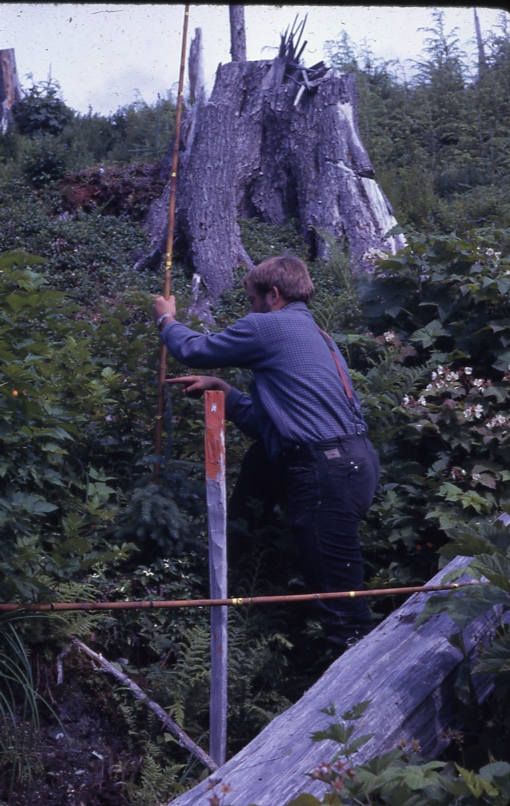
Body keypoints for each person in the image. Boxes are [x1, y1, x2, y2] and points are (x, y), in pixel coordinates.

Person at [153, 255, 379, 650]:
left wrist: (166, 319)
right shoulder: (315, 333)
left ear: (273, 295)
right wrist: (223, 389)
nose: (249, 310)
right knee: (261, 465)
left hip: (325, 468)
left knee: (342, 601)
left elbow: (193, 349)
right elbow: (271, 425)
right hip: (348, 462)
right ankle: (227, 574)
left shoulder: (269, 325)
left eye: (251, 299)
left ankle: (360, 692)